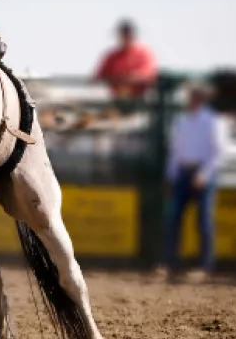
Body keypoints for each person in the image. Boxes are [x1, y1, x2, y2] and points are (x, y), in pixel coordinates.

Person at [158, 82, 225, 283]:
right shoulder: (182, 120)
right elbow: (175, 152)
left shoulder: (213, 121)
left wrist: (204, 174)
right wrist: (170, 176)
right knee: (173, 219)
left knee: (204, 221)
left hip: (203, 175)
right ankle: (172, 264)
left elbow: (219, 152)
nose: (192, 98)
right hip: (183, 174)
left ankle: (205, 266)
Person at [95, 19, 158, 99]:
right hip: (117, 98)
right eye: (123, 34)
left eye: (128, 34)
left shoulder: (144, 54)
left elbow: (149, 75)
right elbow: (99, 76)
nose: (126, 37)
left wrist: (129, 78)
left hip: (139, 99)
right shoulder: (112, 56)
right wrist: (116, 79)